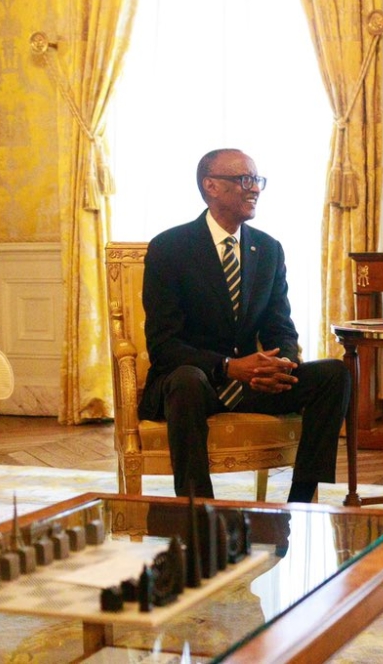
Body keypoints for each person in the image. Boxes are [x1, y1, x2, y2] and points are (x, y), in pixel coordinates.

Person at [138, 148, 350, 503]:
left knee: (335, 375)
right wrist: (228, 367)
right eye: (244, 180)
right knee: (186, 380)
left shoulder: (268, 249)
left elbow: (281, 327)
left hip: (254, 382)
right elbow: (164, 345)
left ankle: (300, 501)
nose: (254, 189)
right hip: (196, 383)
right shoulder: (169, 248)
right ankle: (198, 508)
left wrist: (277, 364)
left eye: (257, 180)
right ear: (211, 186)